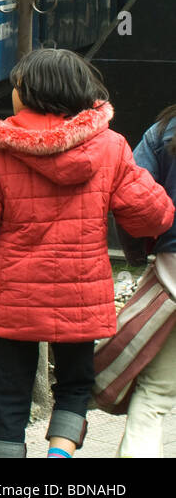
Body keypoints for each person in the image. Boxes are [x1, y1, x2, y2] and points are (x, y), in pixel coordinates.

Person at [0, 48, 173, 458]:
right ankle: (60, 454)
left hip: (14, 299)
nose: (13, 92)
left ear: (34, 93)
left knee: (10, 394)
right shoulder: (110, 147)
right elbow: (154, 216)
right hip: (81, 298)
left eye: (17, 85)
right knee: (74, 385)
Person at [108, 104, 176, 457]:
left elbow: (130, 198)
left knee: (154, 396)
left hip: (172, 276)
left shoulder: (165, 130)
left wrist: (136, 253)